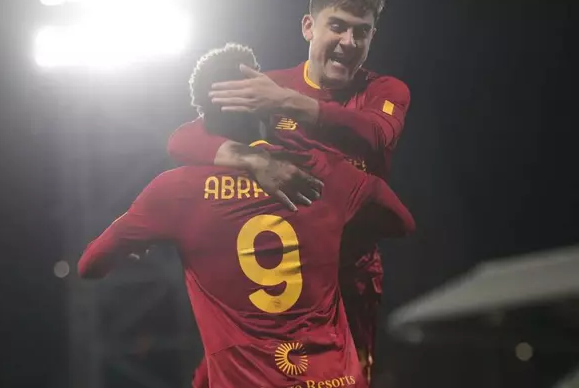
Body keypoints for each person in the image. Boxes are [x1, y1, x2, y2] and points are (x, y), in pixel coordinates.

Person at [78, 43, 415, 387]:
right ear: (264, 107)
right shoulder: (325, 170)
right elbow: (401, 222)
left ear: (203, 118)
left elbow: (90, 265)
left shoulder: (173, 192)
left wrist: (130, 245)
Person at [166, 0, 410, 381]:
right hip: (279, 277)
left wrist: (286, 103)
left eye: (361, 32)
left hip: (350, 283)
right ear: (308, 27)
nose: (349, 42)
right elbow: (183, 139)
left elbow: (377, 135)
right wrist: (253, 160)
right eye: (337, 26)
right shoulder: (270, 87)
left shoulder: (384, 92)